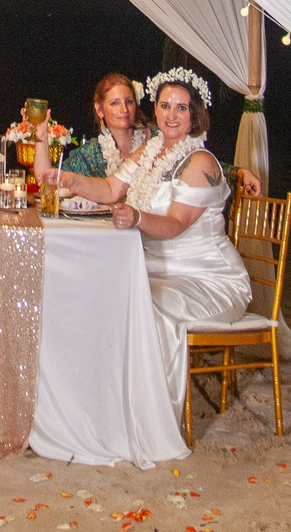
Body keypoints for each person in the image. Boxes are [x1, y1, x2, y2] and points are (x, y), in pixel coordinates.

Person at [91, 68, 252, 409]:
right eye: (165, 106)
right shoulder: (150, 151)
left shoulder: (201, 162)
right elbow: (109, 188)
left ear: (195, 114)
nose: (171, 115)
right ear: (156, 109)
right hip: (157, 271)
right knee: (106, 295)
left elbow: (176, 224)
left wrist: (136, 217)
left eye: (181, 108)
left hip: (209, 279)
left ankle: (151, 411)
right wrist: (62, 178)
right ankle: (111, 403)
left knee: (151, 308)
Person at [47, 72, 149, 204]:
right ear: (99, 109)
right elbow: (50, 180)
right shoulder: (90, 154)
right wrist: (41, 136)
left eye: (129, 101)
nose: (124, 109)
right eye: (115, 103)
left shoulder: (154, 140)